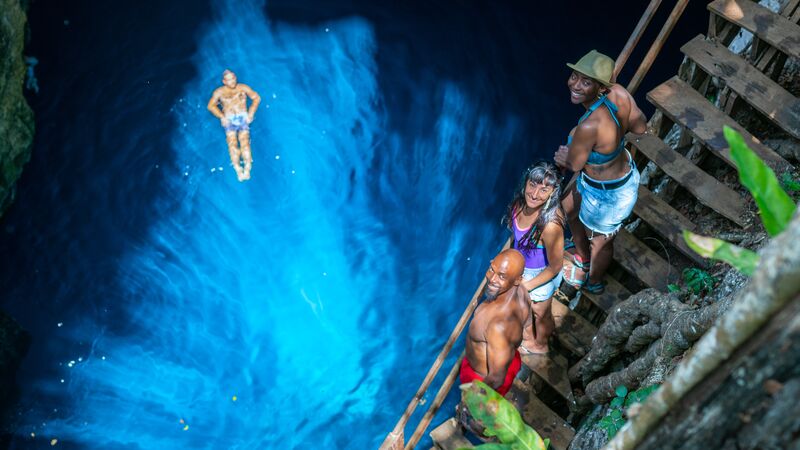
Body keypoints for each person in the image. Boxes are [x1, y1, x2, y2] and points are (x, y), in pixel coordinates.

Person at [554, 50, 647, 294]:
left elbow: (573, 164)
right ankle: (582, 256)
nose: (575, 85)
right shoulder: (620, 94)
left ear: (600, 87)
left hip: (606, 196)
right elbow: (640, 126)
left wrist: (565, 155)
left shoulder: (588, 125)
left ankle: (593, 280)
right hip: (620, 175)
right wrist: (611, 142)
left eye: (586, 82)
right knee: (567, 207)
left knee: (601, 242)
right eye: (575, 76)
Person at [458, 249, 530, 437]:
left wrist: (469, 398)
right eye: (492, 269)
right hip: (506, 357)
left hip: (484, 377)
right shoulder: (522, 294)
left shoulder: (499, 326)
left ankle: (480, 429)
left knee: (475, 416)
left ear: (517, 280)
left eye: (502, 276)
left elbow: (496, 377)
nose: (492, 279)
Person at [504, 162, 565, 355]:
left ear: (552, 192)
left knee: (540, 312)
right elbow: (517, 237)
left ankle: (540, 345)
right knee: (528, 310)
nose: (535, 194)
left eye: (544, 189)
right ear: (525, 182)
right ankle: (536, 337)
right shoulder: (518, 205)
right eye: (532, 185)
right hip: (523, 270)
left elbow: (555, 267)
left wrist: (527, 286)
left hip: (541, 273)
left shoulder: (550, 226)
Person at [207, 70, 261, 182]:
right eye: (229, 80)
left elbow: (256, 98)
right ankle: (238, 170)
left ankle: (247, 169)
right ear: (224, 81)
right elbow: (211, 106)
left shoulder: (243, 88)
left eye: (233, 78)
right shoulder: (219, 92)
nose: (232, 82)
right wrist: (222, 117)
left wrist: (250, 113)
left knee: (245, 143)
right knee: (232, 144)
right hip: (229, 119)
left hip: (242, 117)